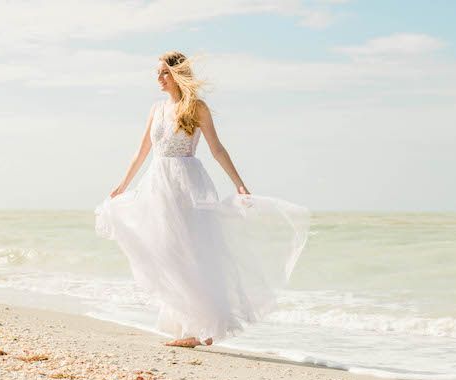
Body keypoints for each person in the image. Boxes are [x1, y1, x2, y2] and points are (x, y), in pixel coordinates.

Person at [94, 50, 310, 348]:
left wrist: (240, 184)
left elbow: (217, 149)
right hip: (157, 184)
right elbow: (142, 151)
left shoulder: (196, 108)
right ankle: (189, 324)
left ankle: (199, 329)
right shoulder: (156, 109)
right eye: (157, 73)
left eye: (164, 73)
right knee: (166, 250)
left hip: (187, 184)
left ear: (177, 74)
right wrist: (122, 185)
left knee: (190, 251)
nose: (158, 78)